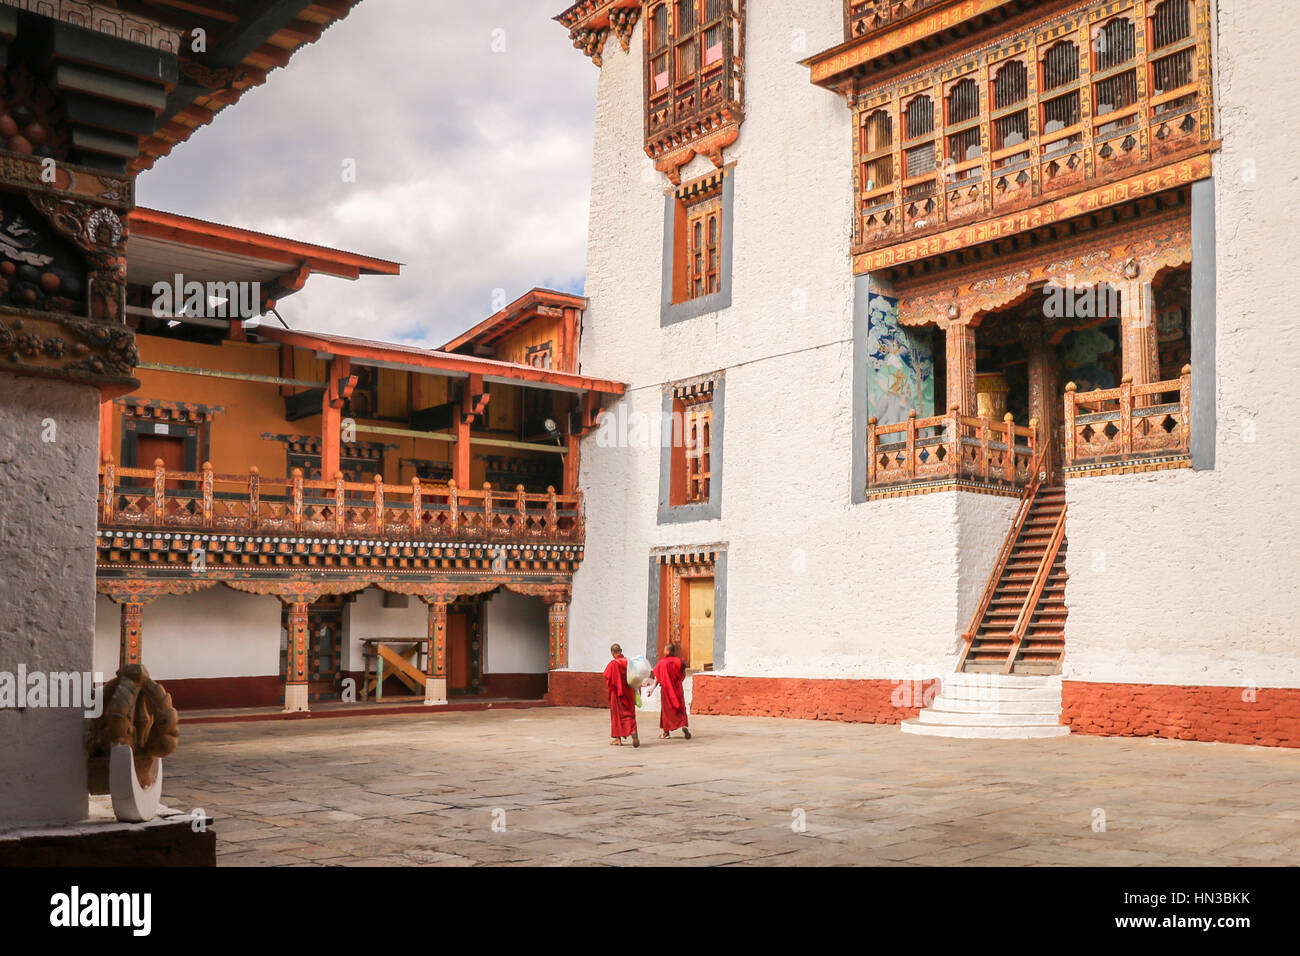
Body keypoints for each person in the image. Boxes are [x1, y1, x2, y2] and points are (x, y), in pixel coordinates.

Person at [644, 643, 691, 740]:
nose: (663, 651)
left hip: (666, 691)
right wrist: (677, 682)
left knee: (666, 712)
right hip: (677, 689)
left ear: (668, 651)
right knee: (680, 708)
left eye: (664, 650)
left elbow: (658, 677)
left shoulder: (662, 663)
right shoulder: (679, 661)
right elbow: (683, 674)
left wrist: (652, 689)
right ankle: (684, 725)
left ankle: (666, 733)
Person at [602, 643, 639, 747]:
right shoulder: (629, 662)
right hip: (629, 692)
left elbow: (607, 677)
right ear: (621, 651)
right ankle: (633, 730)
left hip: (617, 694)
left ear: (612, 653)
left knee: (617, 715)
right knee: (629, 713)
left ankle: (618, 739)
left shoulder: (613, 664)